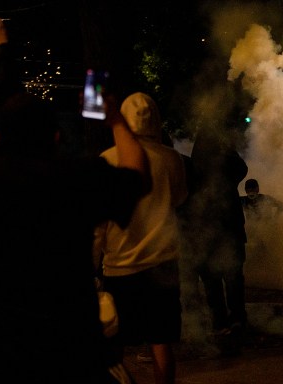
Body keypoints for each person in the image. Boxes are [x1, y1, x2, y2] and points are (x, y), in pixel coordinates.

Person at [0, 86, 150, 382]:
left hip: (0, 351)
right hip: (70, 347)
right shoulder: (77, 177)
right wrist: (116, 120)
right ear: (55, 137)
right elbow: (138, 177)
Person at [93, 92, 187, 384]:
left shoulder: (107, 159)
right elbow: (181, 198)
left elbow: (99, 223)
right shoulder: (172, 159)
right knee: (161, 342)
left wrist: (92, 264)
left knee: (114, 345)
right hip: (163, 262)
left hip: (120, 266)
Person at [185, 124, 249, 351]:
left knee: (213, 277)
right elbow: (242, 169)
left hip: (209, 229)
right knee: (231, 276)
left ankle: (221, 320)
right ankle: (236, 319)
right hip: (227, 227)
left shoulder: (195, 167)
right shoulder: (226, 164)